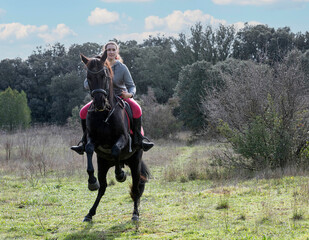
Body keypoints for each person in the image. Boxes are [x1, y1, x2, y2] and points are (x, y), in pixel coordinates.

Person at [71, 41, 154, 154]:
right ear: (104, 51)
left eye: (113, 49)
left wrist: (130, 94)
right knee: (82, 112)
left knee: (137, 109)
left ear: (116, 52)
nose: (110, 52)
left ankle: (139, 140)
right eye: (108, 50)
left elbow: (132, 86)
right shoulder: (98, 65)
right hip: (102, 97)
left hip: (121, 96)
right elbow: (86, 84)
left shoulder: (122, 68)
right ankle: (84, 142)